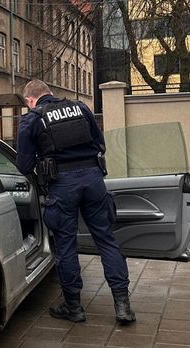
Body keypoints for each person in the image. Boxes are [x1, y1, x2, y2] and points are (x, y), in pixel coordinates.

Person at [16, 79, 135, 325]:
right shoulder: (80, 108)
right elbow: (99, 144)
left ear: (30, 100)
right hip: (93, 180)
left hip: (62, 186)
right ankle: (122, 306)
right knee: (106, 240)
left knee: (66, 245)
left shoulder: (32, 119)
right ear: (50, 93)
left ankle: (74, 307)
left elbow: (24, 166)